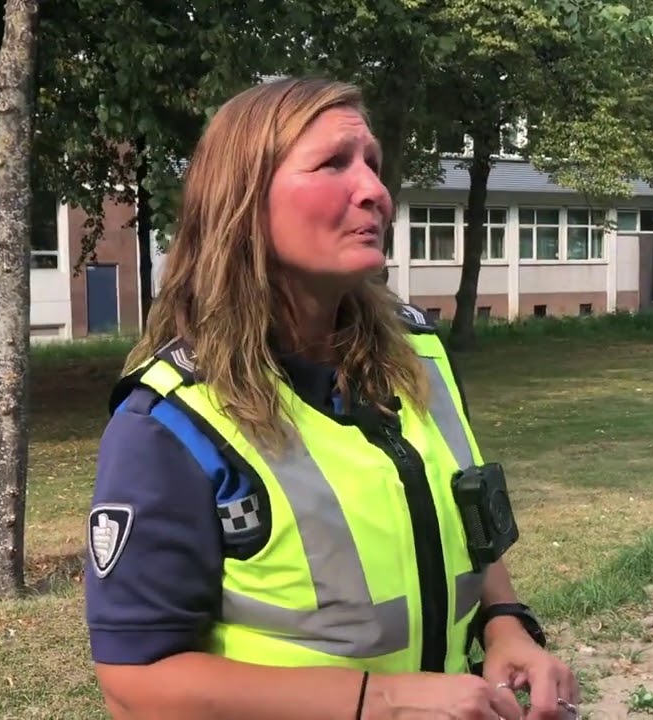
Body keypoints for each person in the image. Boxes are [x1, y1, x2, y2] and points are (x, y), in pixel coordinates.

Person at [83, 76, 579, 720]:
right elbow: (135, 680)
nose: (374, 190)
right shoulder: (170, 421)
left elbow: (465, 519)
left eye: (373, 163)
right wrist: (385, 701)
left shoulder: (417, 354)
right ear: (243, 201)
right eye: (333, 164)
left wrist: (506, 626)